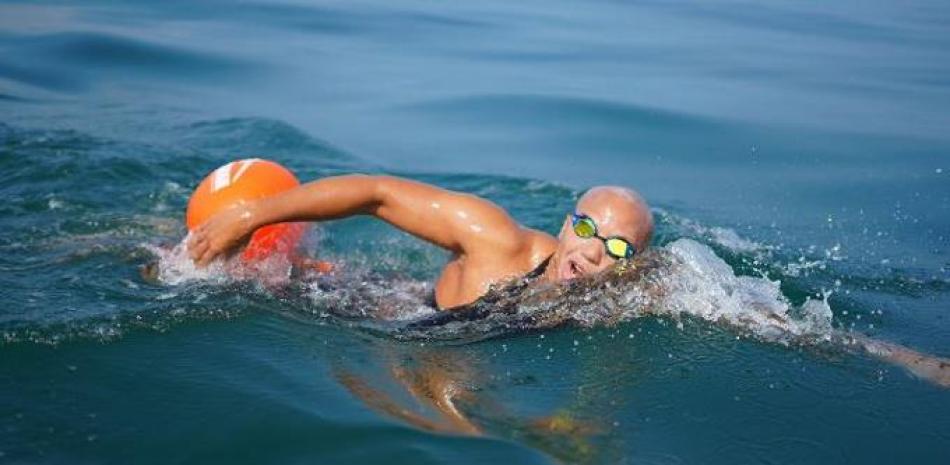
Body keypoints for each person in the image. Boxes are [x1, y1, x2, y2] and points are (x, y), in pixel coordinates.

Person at [187, 174, 653, 310]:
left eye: (617, 248)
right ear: (565, 225)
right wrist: (250, 215)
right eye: (588, 229)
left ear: (633, 261)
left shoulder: (621, 294)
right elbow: (377, 194)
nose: (594, 251)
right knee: (237, 280)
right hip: (391, 315)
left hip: (439, 326)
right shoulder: (494, 238)